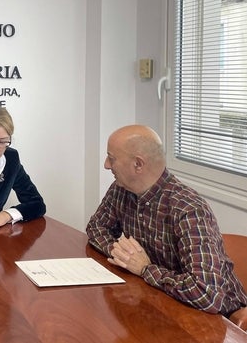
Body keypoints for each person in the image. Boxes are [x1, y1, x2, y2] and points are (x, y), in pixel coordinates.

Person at [86, 124, 247, 316]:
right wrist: (122, 254)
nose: (106, 165)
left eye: (111, 158)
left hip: (222, 318)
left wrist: (145, 269)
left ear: (138, 164)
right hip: (159, 299)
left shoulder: (188, 209)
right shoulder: (121, 189)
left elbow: (206, 294)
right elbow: (96, 227)